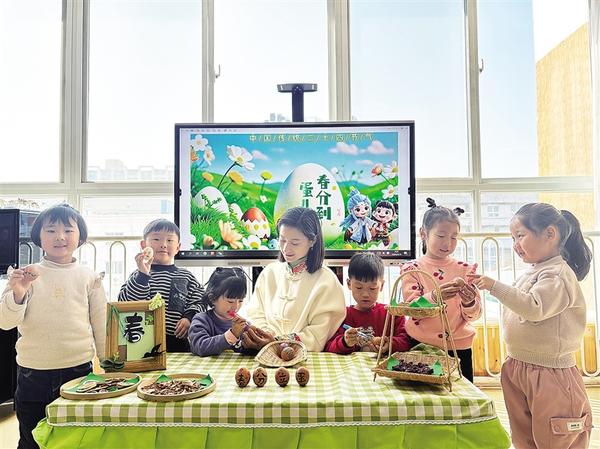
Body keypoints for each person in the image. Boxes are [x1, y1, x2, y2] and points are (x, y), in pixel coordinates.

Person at [469, 203, 593, 449]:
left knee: (556, 438)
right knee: (523, 437)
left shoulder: (557, 274)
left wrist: (494, 286)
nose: (515, 244)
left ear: (550, 234)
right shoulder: (534, 272)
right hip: (518, 365)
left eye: (520, 235)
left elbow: (534, 308)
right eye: (513, 238)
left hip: (550, 373)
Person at [0, 203, 106, 449]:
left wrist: (107, 362)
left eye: (68, 230)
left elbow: (101, 323)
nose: (60, 236)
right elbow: (5, 322)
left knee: (76, 437)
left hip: (78, 371)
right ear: (38, 237)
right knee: (32, 438)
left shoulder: (89, 276)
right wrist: (18, 293)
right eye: (51, 230)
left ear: (81, 237)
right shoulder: (26, 274)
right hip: (32, 372)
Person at [243, 207, 346, 352]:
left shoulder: (326, 281)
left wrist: (279, 342)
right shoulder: (270, 272)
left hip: (305, 357)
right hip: (264, 353)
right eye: (282, 240)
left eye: (295, 243)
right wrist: (265, 336)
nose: (286, 248)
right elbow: (255, 312)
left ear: (312, 241)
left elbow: (318, 334)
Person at [399, 198, 481, 381]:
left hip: (459, 348)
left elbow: (474, 315)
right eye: (441, 236)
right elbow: (412, 310)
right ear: (423, 233)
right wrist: (436, 296)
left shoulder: (465, 270)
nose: (448, 243)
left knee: (460, 393)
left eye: (454, 237)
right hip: (420, 345)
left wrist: (469, 302)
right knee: (423, 395)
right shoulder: (412, 269)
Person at [118, 219, 204, 352]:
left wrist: (189, 318)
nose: (163, 245)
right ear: (143, 245)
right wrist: (142, 276)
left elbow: (200, 300)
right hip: (143, 342)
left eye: (170, 240)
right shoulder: (138, 275)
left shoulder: (186, 276)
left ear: (178, 247)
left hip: (178, 342)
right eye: (156, 239)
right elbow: (127, 303)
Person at [325, 252, 411, 354]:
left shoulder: (392, 313)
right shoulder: (342, 314)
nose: (365, 294)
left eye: (372, 288)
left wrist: (389, 344)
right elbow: (328, 346)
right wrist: (344, 342)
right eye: (359, 287)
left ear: (382, 285)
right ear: (349, 284)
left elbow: (406, 341)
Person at [188, 267, 256, 356]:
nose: (236, 306)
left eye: (241, 300)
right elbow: (200, 347)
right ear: (212, 298)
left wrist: (253, 342)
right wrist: (232, 334)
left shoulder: (242, 324)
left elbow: (245, 352)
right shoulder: (201, 320)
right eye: (230, 301)